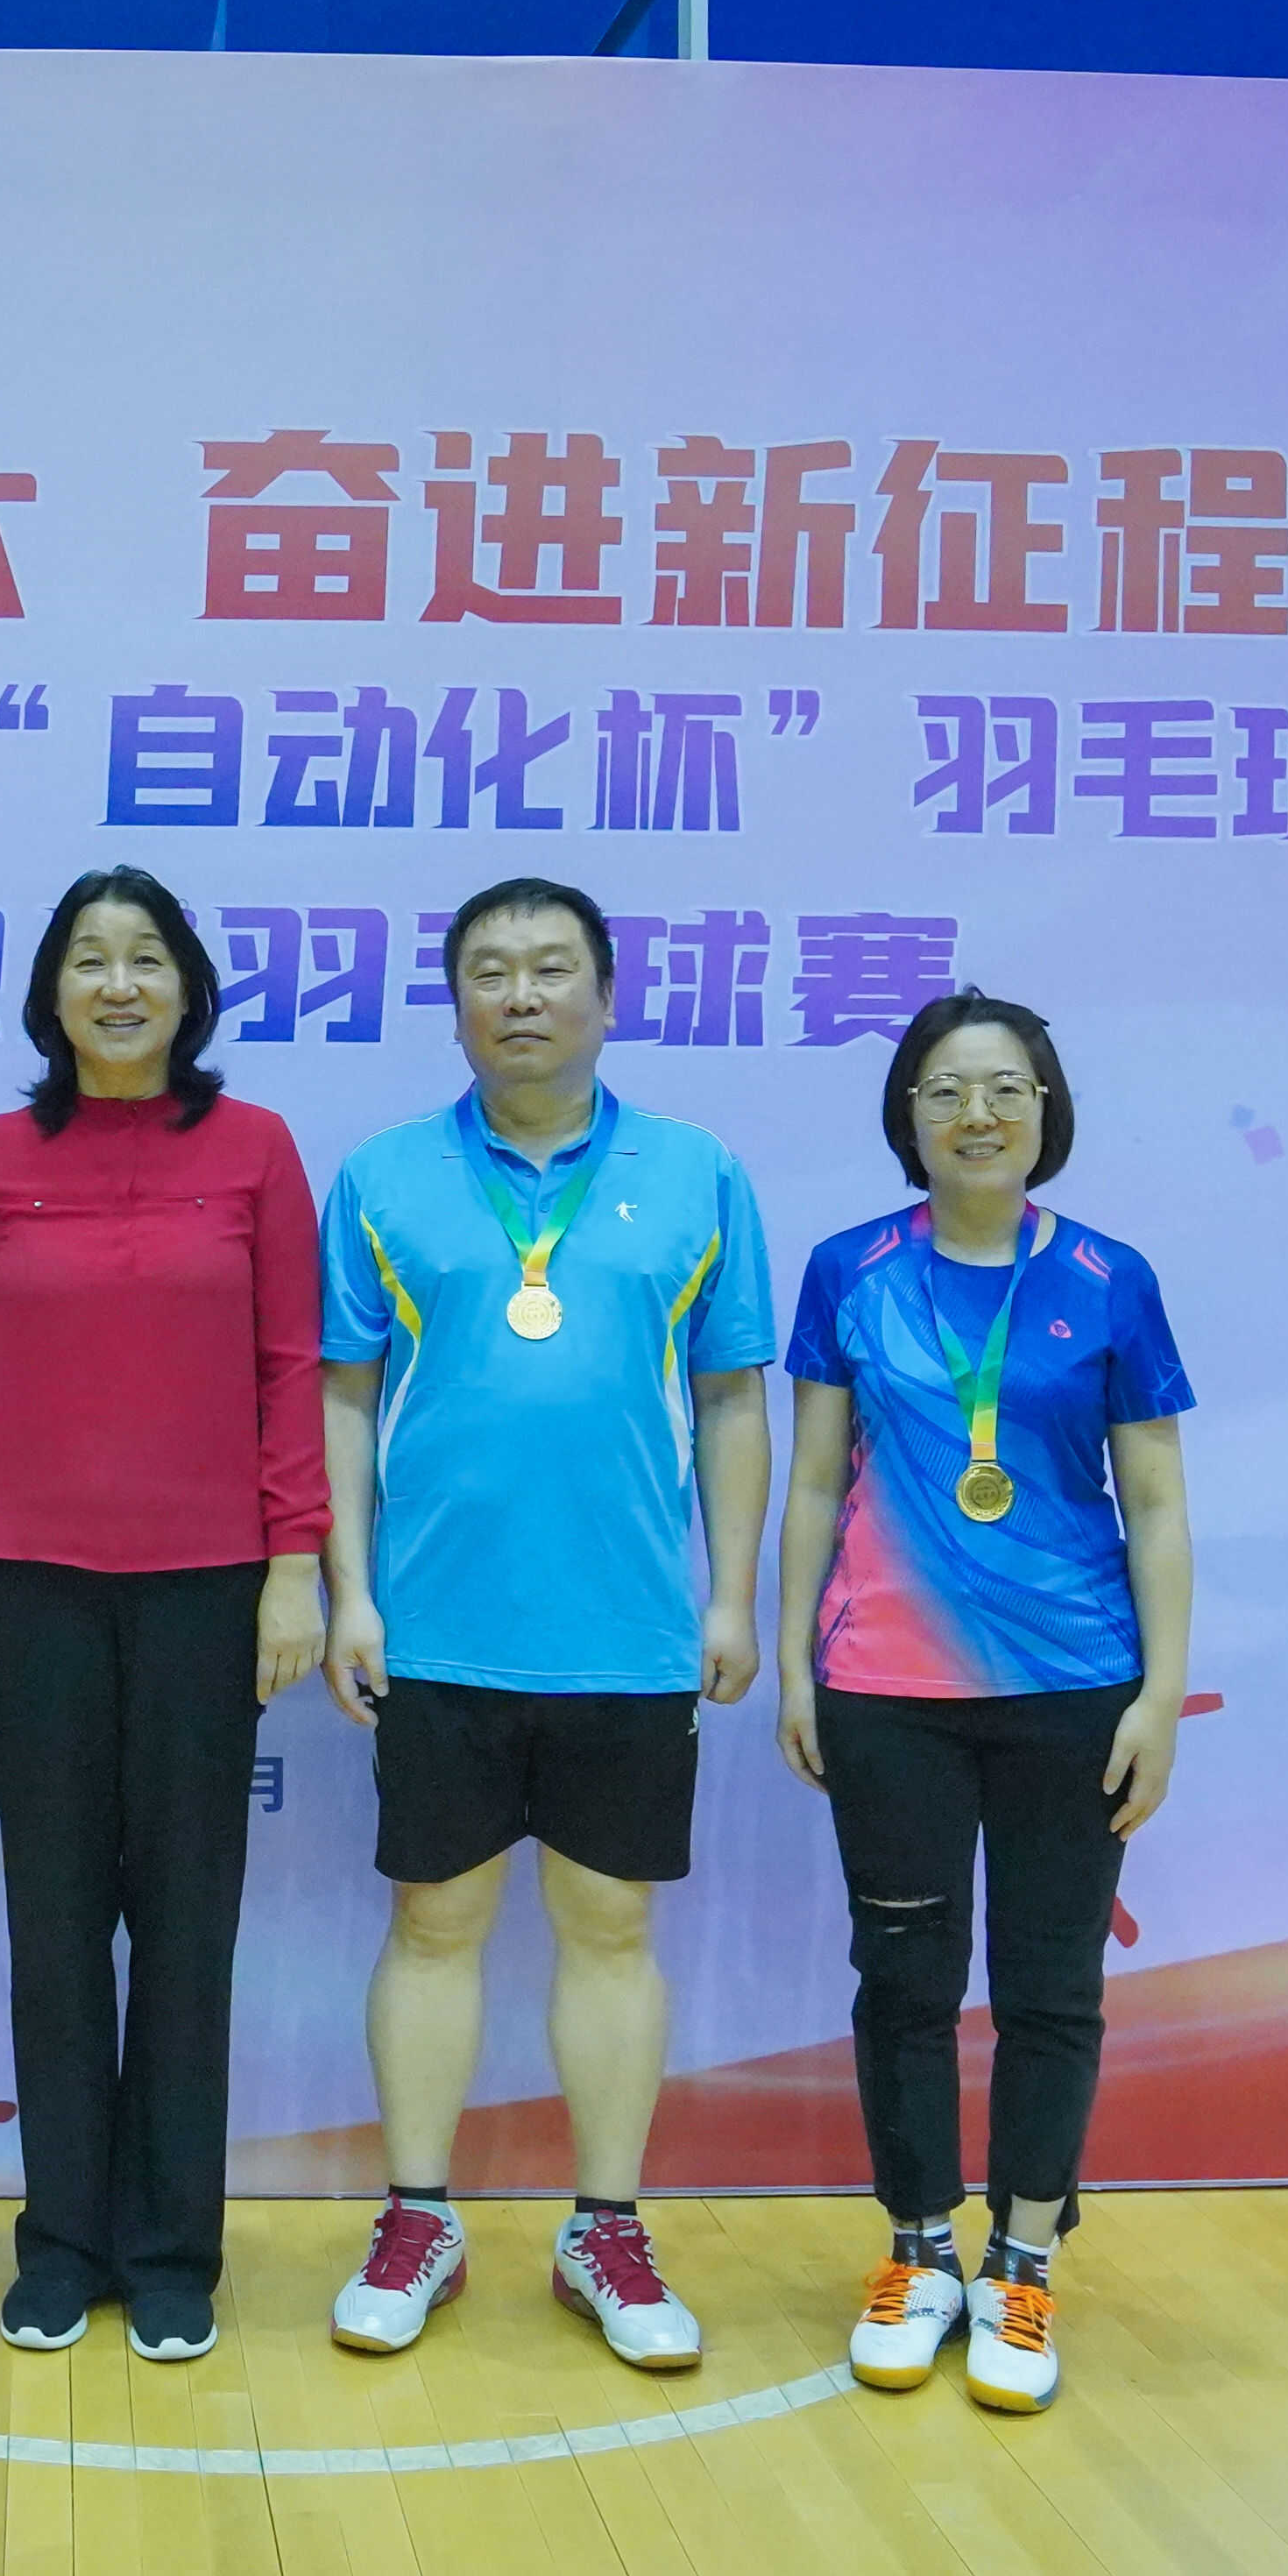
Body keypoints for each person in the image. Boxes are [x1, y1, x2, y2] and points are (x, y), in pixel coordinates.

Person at [316, 878, 774, 2374]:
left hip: (628, 1630)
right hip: (436, 1628)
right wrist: (348, 1589)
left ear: (607, 995)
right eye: (490, 971)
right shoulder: (382, 1176)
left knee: (612, 1929)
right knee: (431, 1924)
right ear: (454, 1002)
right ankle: (417, 2218)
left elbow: (730, 1397)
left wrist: (727, 1592)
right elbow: (339, 1395)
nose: (521, 995)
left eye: (551, 968)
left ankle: (605, 2227)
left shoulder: (696, 1173)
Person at [0, 867, 327, 2362]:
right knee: (55, 1921)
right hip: (27, 1586)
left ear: (188, 988)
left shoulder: (256, 1147)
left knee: (188, 1926)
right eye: (88, 958)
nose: (118, 982)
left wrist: (295, 1561)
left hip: (209, 1586)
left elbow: (290, 1365)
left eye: (146, 956)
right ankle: (62, 2240)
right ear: (51, 994)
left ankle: (169, 2251)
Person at [775, 989, 1193, 2414]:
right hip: (886, 1689)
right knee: (903, 1981)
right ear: (907, 1113)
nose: (976, 1114)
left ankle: (1020, 2261)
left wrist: (1157, 1694)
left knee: (1049, 1987)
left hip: (1073, 1687)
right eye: (946, 1090)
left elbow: (1154, 1500)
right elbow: (814, 1482)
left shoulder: (1109, 1277)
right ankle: (915, 2251)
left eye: (1006, 1089)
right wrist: (796, 1662)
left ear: (1044, 1109)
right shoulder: (849, 1269)